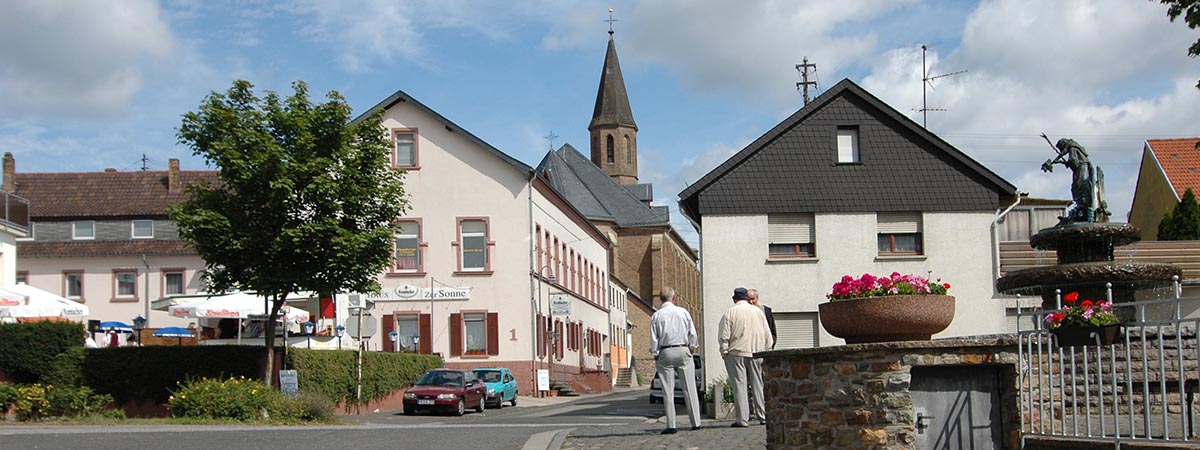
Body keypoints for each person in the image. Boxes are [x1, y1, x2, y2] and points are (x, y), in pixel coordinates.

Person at [649, 286, 701, 434]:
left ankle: (671, 425)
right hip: (683, 348)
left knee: (667, 390)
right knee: (689, 388)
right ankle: (695, 422)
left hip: (666, 350)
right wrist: (692, 348)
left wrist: (656, 353)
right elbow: (693, 333)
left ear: (660, 299)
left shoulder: (657, 315)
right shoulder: (683, 312)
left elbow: (654, 339)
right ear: (674, 298)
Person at [719, 287, 772, 428]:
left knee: (739, 386)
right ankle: (763, 416)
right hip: (757, 352)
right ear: (747, 299)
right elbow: (768, 335)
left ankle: (743, 419)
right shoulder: (758, 312)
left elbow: (724, 336)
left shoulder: (730, 313)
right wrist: (767, 350)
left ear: (734, 299)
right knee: (758, 385)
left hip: (737, 353)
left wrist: (724, 352)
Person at [747, 288, 775, 424]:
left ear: (757, 298)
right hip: (749, 352)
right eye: (749, 299)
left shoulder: (766, 311)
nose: (751, 301)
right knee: (750, 384)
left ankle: (765, 410)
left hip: (764, 352)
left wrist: (769, 348)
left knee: (763, 383)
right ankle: (751, 411)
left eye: (753, 299)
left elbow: (773, 332)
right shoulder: (745, 312)